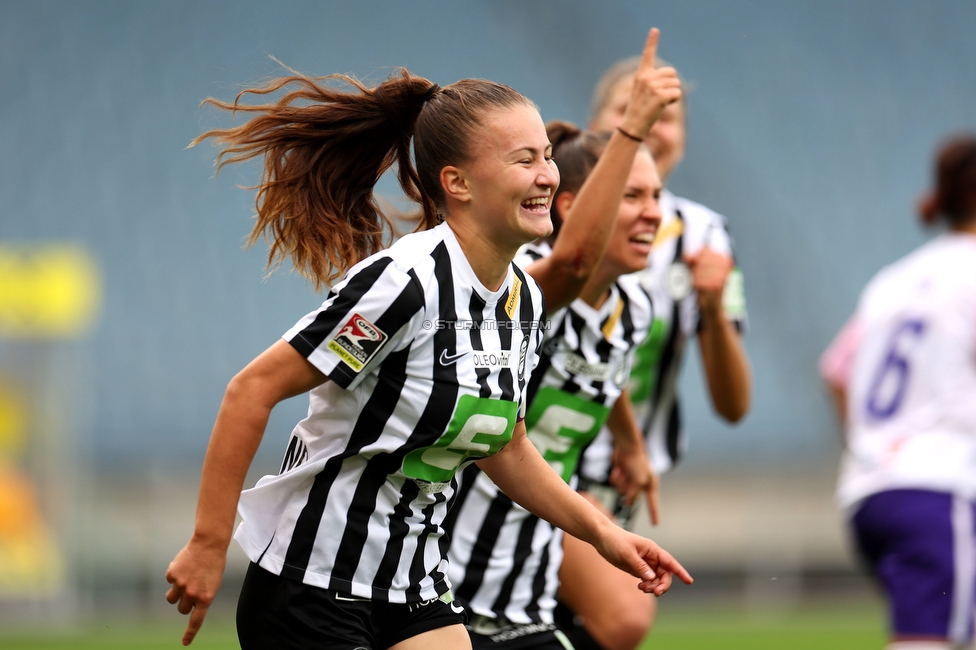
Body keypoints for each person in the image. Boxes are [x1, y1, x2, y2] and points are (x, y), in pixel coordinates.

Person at [163, 37, 692, 650]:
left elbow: (508, 446)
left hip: (413, 581)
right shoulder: (405, 283)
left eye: (547, 156)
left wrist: (604, 535)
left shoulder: (522, 299)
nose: (547, 174)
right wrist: (207, 542)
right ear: (457, 183)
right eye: (525, 160)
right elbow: (251, 390)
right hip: (312, 583)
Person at [447, 49, 677, 645]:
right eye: (632, 197)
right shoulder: (522, 283)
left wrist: (629, 442)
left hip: (524, 589)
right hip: (447, 584)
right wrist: (631, 130)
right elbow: (572, 264)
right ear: (575, 209)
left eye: (656, 198)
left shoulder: (634, 311)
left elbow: (600, 371)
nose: (653, 214)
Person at [555, 55, 753, 650]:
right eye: (637, 110)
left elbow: (734, 405)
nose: (655, 128)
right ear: (603, 130)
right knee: (620, 621)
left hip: (620, 488)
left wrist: (714, 310)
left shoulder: (705, 237)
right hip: (548, 462)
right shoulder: (560, 224)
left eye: (672, 117)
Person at [820, 135, 976, 650]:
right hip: (941, 489)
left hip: (874, 490)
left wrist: (878, 444)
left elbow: (837, 370)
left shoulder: (895, 279)